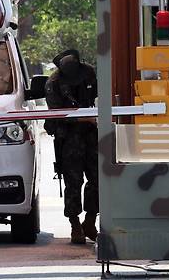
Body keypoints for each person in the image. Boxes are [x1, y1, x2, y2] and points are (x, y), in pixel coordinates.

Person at [44, 49, 98, 244]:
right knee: (73, 183)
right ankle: (75, 225)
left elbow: (100, 97)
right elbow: (57, 115)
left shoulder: (89, 73)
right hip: (68, 139)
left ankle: (90, 220)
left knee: (97, 178)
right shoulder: (54, 82)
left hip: (91, 136)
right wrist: (86, 118)